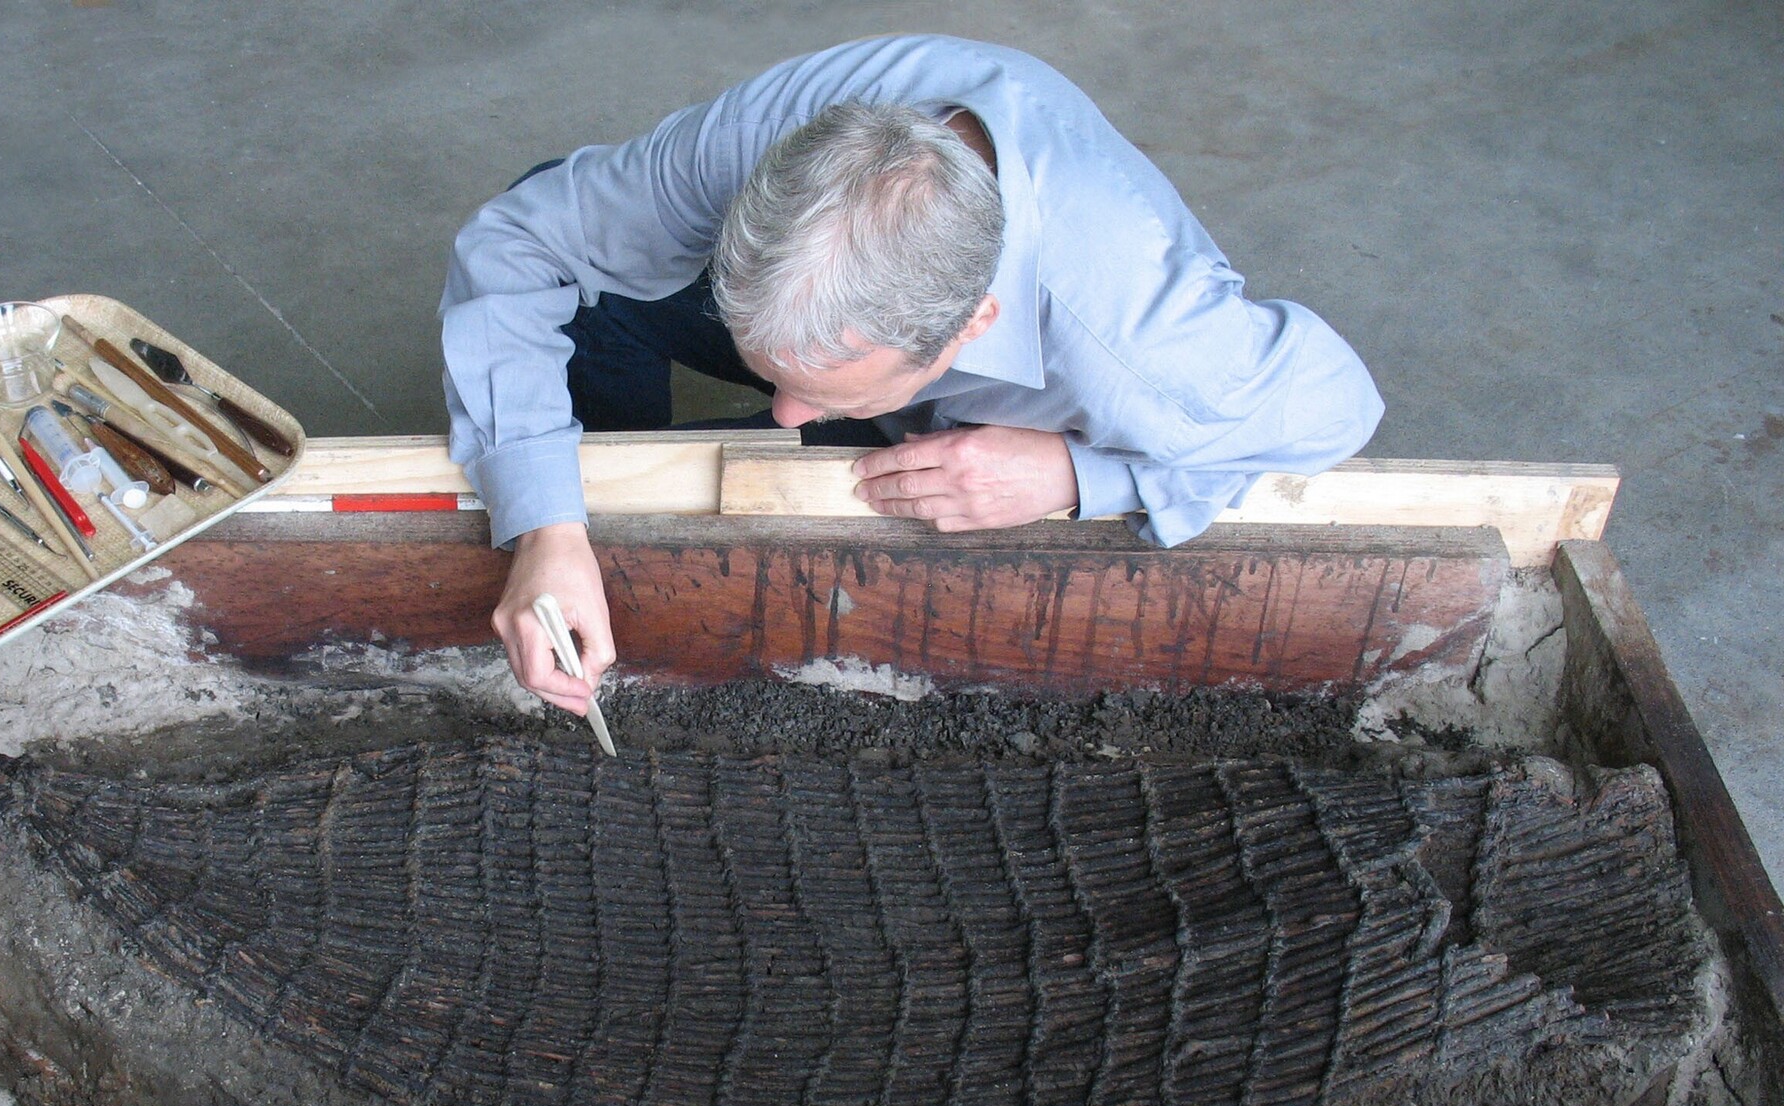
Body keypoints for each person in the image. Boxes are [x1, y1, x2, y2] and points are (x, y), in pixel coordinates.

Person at [439, 34, 1384, 718]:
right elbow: (522, 239)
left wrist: (1075, 472)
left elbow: (1338, 408)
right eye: (781, 378)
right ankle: (600, 545)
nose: (784, 416)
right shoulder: (750, 148)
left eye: (823, 393)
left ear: (970, 330)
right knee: (582, 277)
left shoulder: (1147, 349)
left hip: (1038, 353)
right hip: (820, 285)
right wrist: (547, 525)